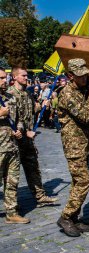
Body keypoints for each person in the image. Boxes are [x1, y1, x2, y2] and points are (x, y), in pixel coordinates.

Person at [56, 58, 89, 237]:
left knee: (77, 182)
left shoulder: (79, 90)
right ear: (70, 76)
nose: (85, 78)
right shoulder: (67, 94)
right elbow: (84, 116)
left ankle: (74, 217)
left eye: (86, 74)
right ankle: (65, 217)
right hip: (73, 146)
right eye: (81, 76)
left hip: (82, 144)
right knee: (84, 181)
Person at [8, 67, 58, 207]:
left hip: (28, 141)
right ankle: (12, 206)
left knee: (33, 168)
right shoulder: (11, 94)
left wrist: (42, 105)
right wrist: (25, 132)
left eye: (26, 75)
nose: (26, 77)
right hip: (16, 141)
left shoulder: (27, 94)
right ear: (15, 77)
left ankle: (40, 196)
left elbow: (30, 111)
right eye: (23, 75)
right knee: (13, 175)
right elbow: (13, 120)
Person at [0, 67, 30, 224]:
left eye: (5, 78)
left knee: (12, 182)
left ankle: (11, 212)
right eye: (1, 78)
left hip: (12, 146)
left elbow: (18, 118)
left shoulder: (9, 97)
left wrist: (18, 129)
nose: (5, 80)